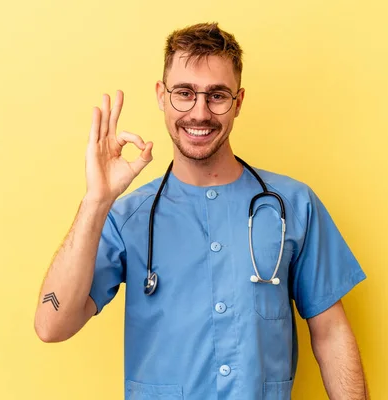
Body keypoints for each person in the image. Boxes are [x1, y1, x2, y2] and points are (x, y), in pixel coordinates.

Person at [34, 22, 368, 400]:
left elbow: (331, 333)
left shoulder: (292, 206)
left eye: (217, 96)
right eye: (184, 93)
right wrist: (95, 201)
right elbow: (52, 325)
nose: (200, 112)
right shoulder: (127, 217)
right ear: (161, 95)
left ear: (238, 102)